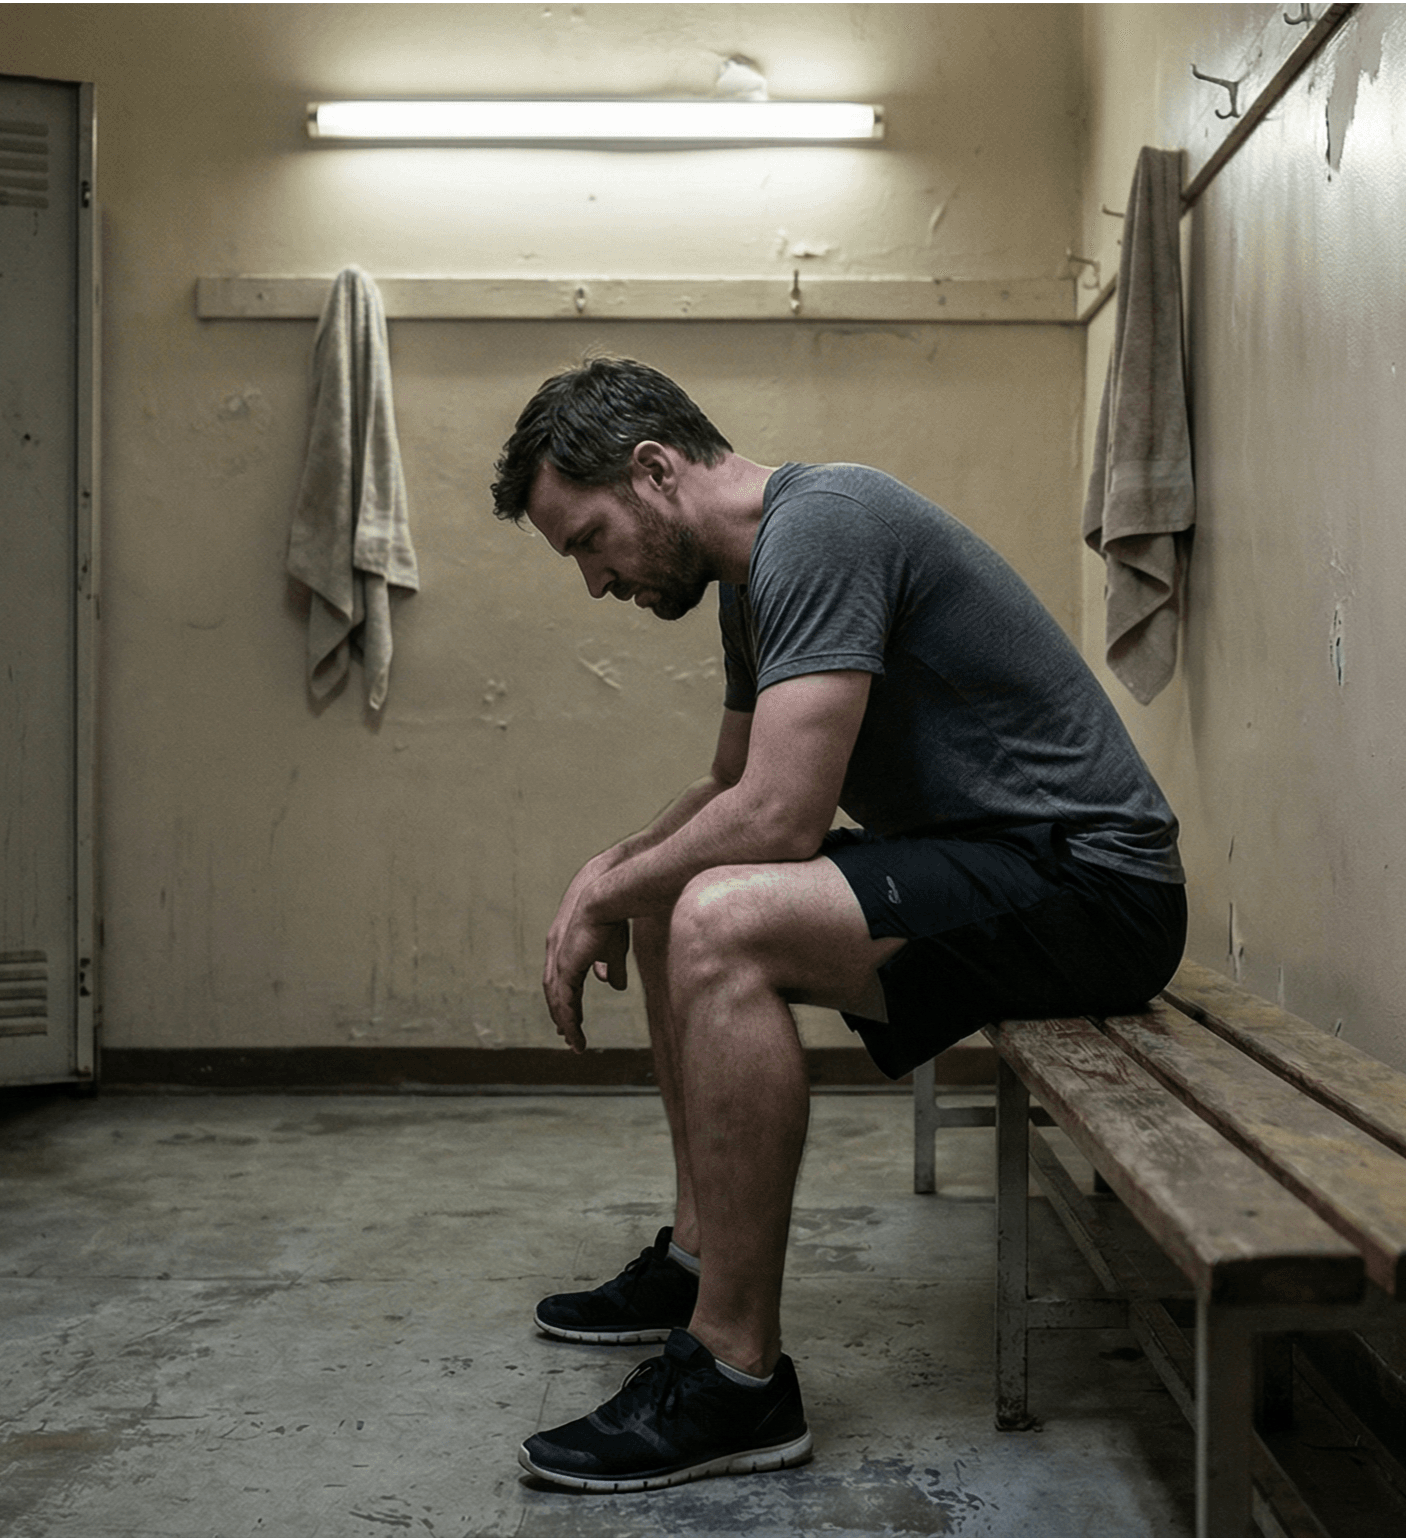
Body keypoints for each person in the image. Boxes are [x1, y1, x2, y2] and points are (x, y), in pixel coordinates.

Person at [490, 357, 1187, 1493]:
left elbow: (780, 815)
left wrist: (603, 894)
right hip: (1001, 857)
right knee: (679, 893)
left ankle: (735, 1376)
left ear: (655, 469)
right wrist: (613, 873)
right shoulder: (751, 575)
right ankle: (698, 1254)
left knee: (714, 913)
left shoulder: (822, 526)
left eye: (589, 539)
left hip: (1096, 883)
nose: (595, 579)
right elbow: (731, 786)